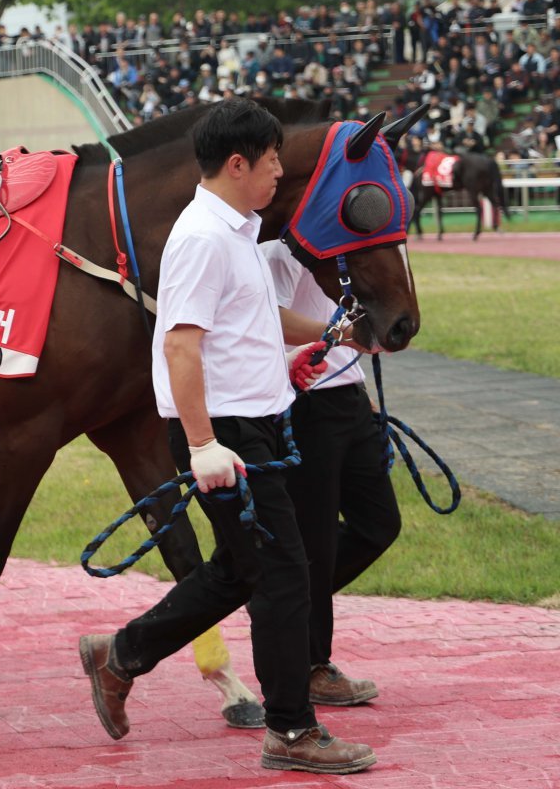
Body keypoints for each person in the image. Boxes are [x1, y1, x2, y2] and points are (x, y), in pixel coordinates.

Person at [77, 98, 375, 775]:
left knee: (242, 570)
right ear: (237, 164)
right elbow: (180, 345)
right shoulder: (202, 237)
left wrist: (332, 332)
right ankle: (292, 731)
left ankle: (120, 655)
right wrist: (204, 443)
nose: (278, 174)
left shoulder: (236, 228)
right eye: (272, 162)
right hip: (229, 434)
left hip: (255, 425)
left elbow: (256, 315)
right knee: (283, 574)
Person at [260, 238, 401, 710]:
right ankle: (310, 664)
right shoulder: (281, 251)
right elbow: (268, 319)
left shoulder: (354, 249)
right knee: (314, 542)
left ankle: (280, 605)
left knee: (380, 524)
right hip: (306, 400)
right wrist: (336, 337)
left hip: (350, 394)